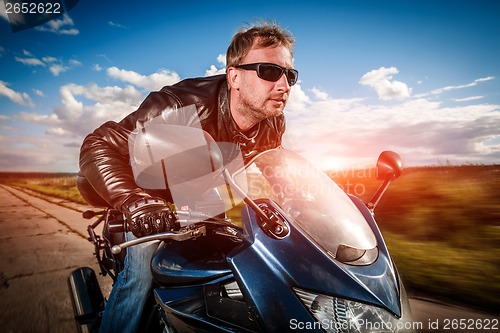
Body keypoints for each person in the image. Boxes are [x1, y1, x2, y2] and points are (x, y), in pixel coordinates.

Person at [78, 21, 298, 333]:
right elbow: (99, 143)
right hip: (147, 197)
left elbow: (276, 166)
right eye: (269, 71)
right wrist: (135, 202)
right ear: (234, 76)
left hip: (202, 194)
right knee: (142, 273)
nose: (284, 84)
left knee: (229, 270)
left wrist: (301, 203)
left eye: (290, 74)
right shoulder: (180, 105)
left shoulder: (272, 120)